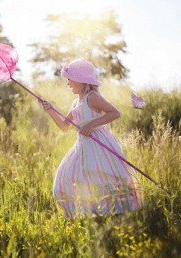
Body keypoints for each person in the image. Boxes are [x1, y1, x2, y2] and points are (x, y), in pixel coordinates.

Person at [40, 59, 143, 218]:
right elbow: (64, 125)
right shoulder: (76, 102)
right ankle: (85, 214)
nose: (68, 83)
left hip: (99, 144)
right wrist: (51, 111)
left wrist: (92, 125)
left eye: (70, 79)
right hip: (83, 146)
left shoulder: (92, 97)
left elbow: (114, 113)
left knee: (102, 177)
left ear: (81, 81)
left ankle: (115, 214)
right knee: (67, 175)